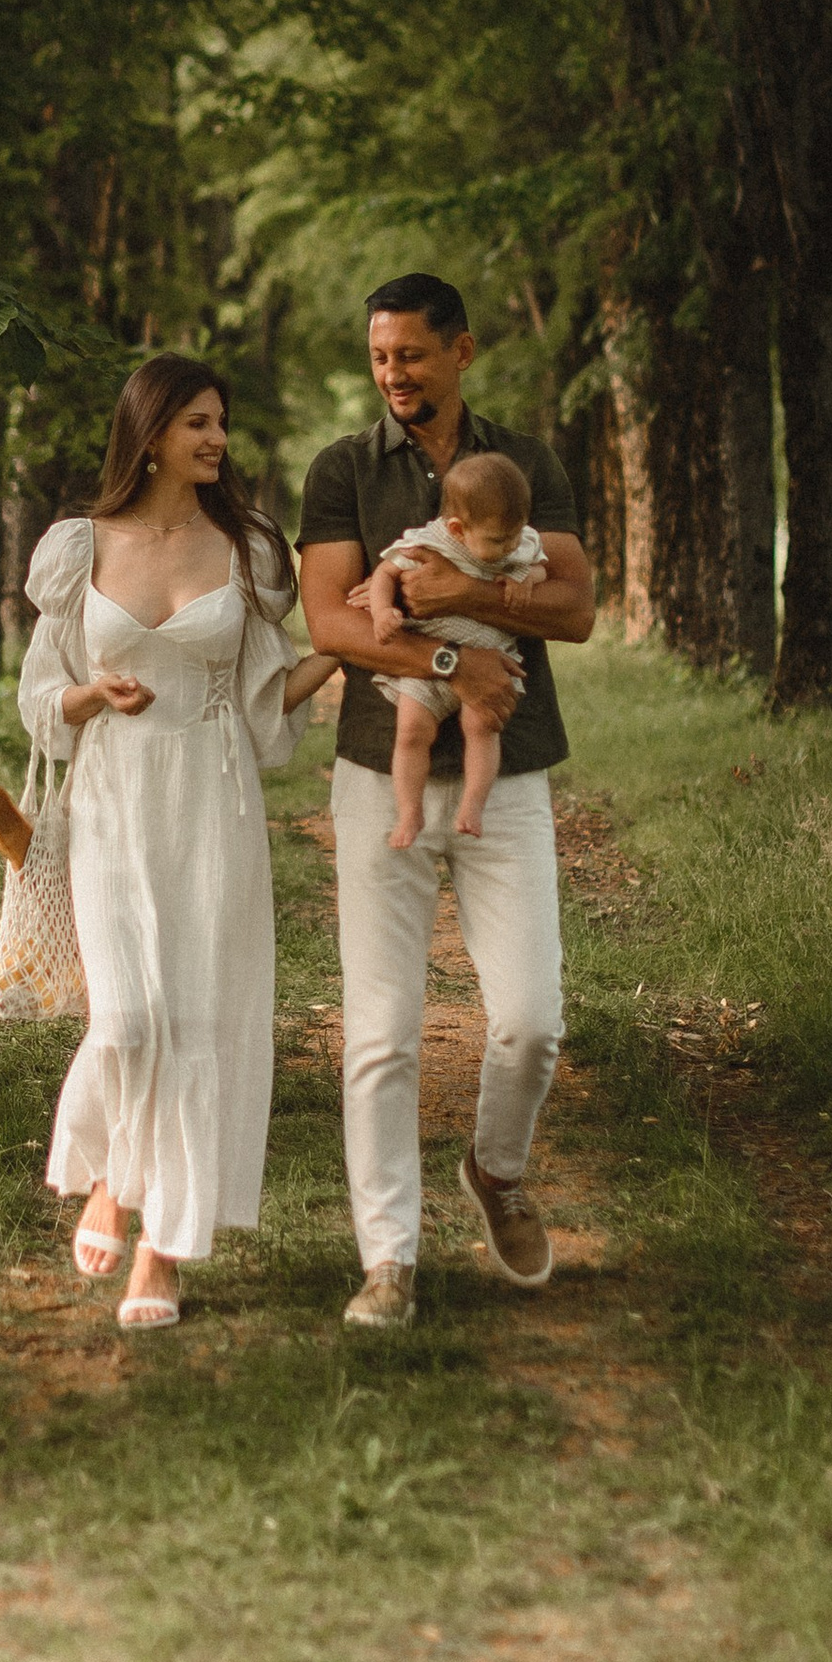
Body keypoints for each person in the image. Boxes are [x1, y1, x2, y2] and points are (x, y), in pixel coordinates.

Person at [296, 274, 597, 1330]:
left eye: (411, 356)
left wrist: (470, 597)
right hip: (380, 770)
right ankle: (390, 1260)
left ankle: (497, 1170)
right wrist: (446, 661)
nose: (393, 375)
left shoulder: (523, 465)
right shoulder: (341, 469)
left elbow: (575, 606)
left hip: (510, 774)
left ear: (461, 351)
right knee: (380, 1031)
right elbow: (331, 621)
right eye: (380, 358)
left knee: (530, 1023)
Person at [18, 354, 334, 1331]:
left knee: (201, 1022)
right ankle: (110, 1167)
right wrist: (88, 694)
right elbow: (39, 695)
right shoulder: (79, 547)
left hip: (213, 797)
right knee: (124, 1021)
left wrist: (346, 649)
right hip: (112, 798)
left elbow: (260, 698)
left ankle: (161, 1245)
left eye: (220, 423)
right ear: (149, 431)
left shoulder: (245, 549)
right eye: (197, 421)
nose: (215, 439)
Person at [359, 448, 549, 849]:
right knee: (411, 731)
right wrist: (381, 612)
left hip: (493, 659)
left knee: (482, 727)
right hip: (426, 658)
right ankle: (409, 811)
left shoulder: (518, 540)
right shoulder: (432, 543)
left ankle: (473, 805)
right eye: (499, 540)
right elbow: (385, 573)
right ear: (459, 529)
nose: (510, 546)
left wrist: (527, 578)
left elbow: (540, 564)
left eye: (516, 534)